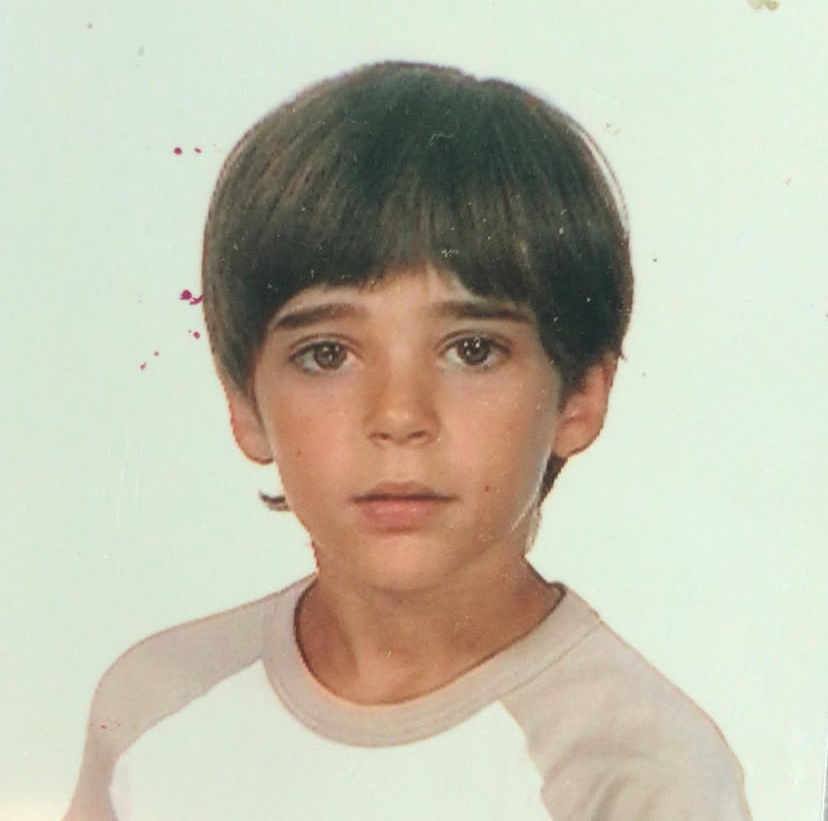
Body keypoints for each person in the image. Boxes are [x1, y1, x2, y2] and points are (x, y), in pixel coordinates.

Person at [63, 61, 752, 820]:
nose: (397, 416)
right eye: (327, 353)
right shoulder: (155, 710)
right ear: (245, 407)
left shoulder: (641, 774)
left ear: (581, 394)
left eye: (472, 350)